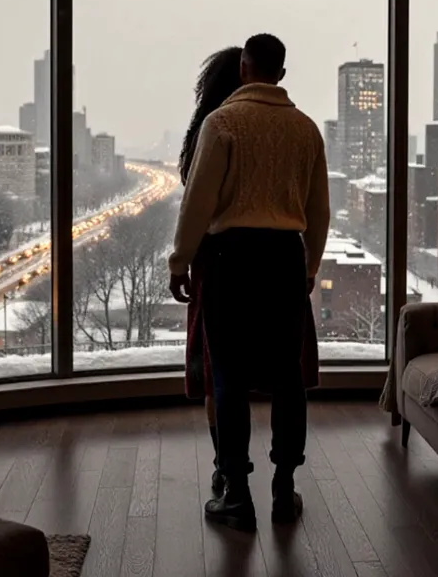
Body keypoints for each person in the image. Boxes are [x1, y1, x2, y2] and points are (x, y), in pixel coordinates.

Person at [169, 33, 330, 532]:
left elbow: (197, 201)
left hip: (229, 258)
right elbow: (319, 210)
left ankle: (236, 493)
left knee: (230, 377)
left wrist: (181, 261)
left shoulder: (221, 123)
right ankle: (285, 486)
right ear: (281, 74)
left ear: (243, 67)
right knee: (287, 376)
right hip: (284, 258)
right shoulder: (306, 130)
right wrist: (309, 268)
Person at [177, 45, 243, 498]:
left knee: (215, 367)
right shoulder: (257, 126)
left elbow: (194, 199)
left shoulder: (204, 128)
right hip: (269, 257)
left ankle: (226, 468)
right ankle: (272, 478)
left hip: (213, 257)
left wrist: (180, 259)